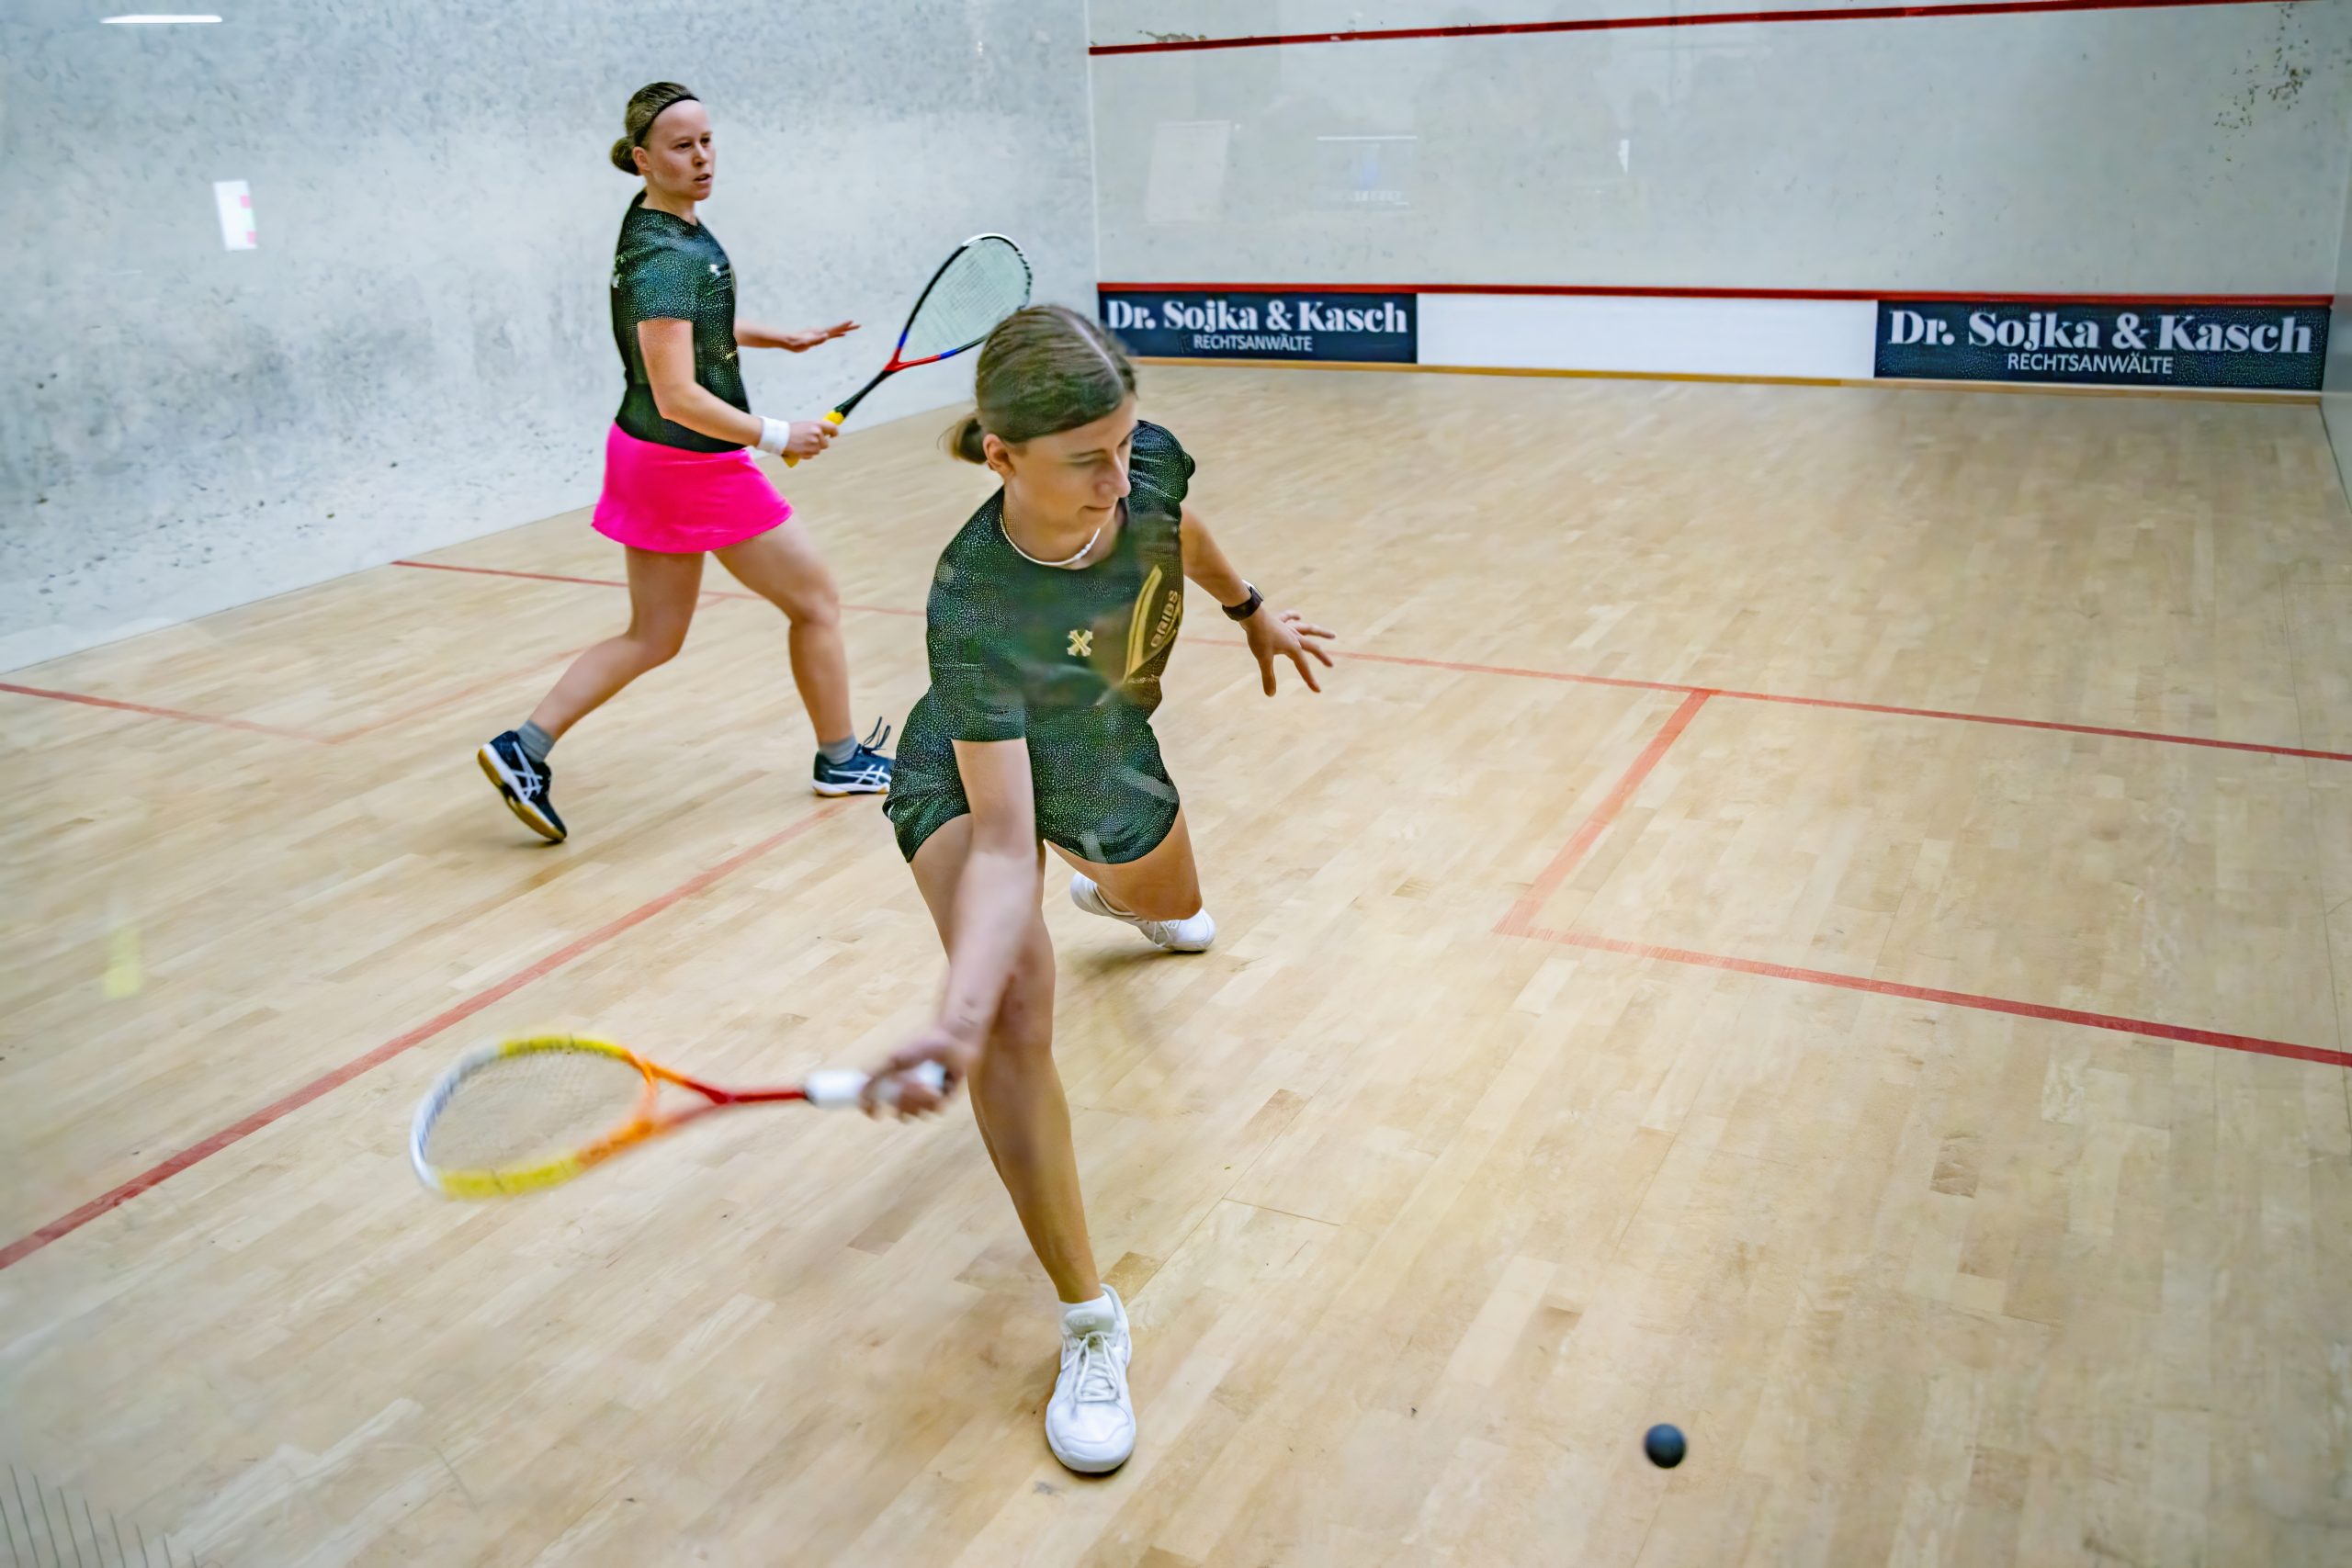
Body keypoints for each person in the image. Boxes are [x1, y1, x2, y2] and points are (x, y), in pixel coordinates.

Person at [859, 306, 1335, 1473]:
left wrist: (1250, 611)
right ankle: (1089, 1321)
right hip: (976, 767)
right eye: (1085, 461)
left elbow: (1176, 525)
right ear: (1000, 454)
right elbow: (1001, 843)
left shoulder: (1141, 464)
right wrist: (962, 1009)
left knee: (1174, 904)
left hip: (1103, 749)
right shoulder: (973, 599)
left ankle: (1120, 897)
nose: (1116, 479)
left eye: (1123, 446)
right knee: (1013, 1009)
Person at [478, 82, 892, 843]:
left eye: (707, 141)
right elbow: (676, 394)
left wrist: (776, 336)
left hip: (645, 455)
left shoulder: (655, 223)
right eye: (681, 146)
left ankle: (523, 748)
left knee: (653, 635)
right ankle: (840, 759)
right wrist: (778, 434)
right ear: (642, 157)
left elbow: (685, 323)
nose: (702, 158)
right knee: (815, 602)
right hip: (692, 463)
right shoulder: (666, 255)